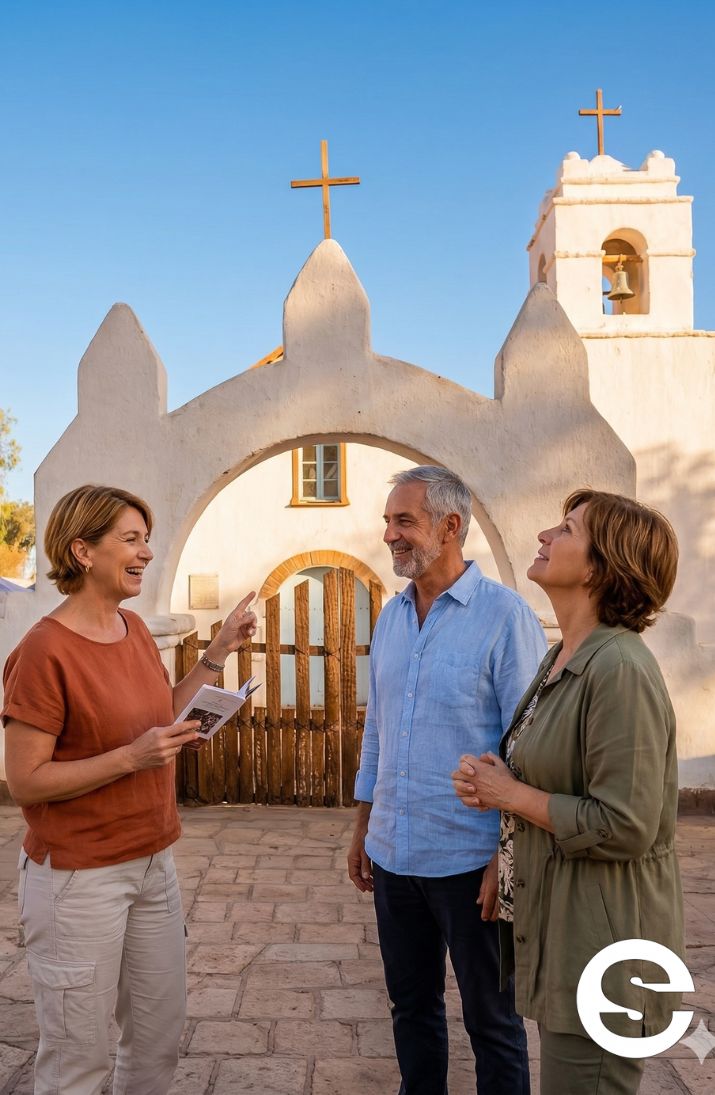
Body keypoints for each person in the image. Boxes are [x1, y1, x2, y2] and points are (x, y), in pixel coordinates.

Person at [2, 484, 257, 1095]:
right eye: (130, 539)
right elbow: (25, 782)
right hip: (79, 880)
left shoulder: (134, 628)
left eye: (147, 538)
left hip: (152, 864)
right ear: (81, 551)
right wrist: (129, 757)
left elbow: (159, 714)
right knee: (76, 1061)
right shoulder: (42, 651)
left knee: (155, 1041)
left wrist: (217, 654)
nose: (146, 551)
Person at [452, 489, 684, 1095]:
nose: (545, 536)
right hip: (567, 927)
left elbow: (627, 823)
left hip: (604, 943)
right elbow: (547, 777)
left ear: (604, 566)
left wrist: (510, 795)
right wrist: (494, 789)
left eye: (567, 529)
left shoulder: (621, 669)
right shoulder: (563, 655)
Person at [347, 466, 546, 1095]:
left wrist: (503, 859)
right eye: (388, 521)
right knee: (412, 1012)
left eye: (403, 521)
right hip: (395, 855)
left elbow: (529, 747)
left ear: (450, 526)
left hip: (470, 863)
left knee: (493, 1022)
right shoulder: (392, 616)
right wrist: (363, 828)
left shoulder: (505, 618)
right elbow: (378, 730)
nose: (389, 535)